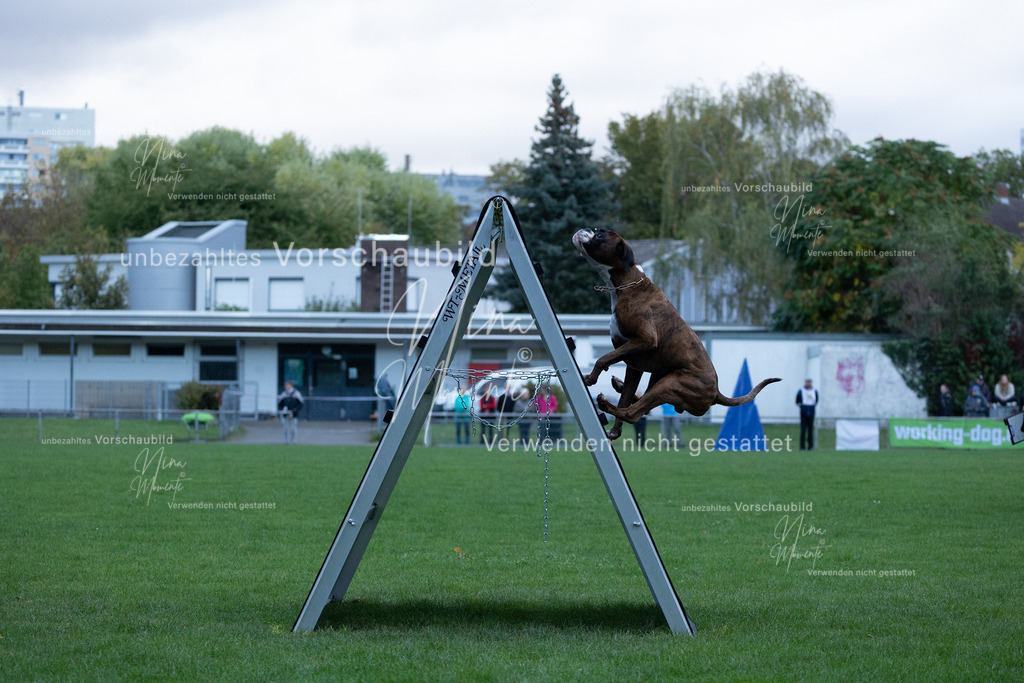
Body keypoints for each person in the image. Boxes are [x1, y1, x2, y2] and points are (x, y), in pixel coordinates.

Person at [277, 381, 304, 445]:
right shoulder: (284, 394)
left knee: (293, 427)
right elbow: (280, 404)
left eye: (288, 385)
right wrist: (282, 409)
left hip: (293, 414)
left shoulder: (296, 393)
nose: (286, 387)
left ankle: (294, 441)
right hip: (285, 413)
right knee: (286, 427)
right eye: (286, 386)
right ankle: (286, 441)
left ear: (291, 386)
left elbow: (301, 403)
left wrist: (296, 409)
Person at [795, 378, 818, 451]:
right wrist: (802, 407)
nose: (808, 383)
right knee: (803, 430)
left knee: (810, 430)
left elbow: (816, 400)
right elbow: (797, 400)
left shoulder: (814, 390)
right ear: (805, 383)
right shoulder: (801, 390)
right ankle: (802, 447)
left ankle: (810, 446)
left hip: (811, 412)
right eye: (807, 382)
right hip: (804, 413)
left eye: (810, 382)